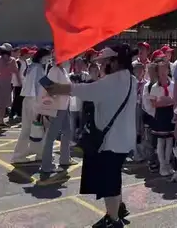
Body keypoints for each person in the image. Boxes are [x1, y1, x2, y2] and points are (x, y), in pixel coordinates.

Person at [45, 44, 137, 228]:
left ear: (114, 61)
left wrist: (51, 86)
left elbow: (82, 91)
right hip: (123, 138)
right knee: (114, 177)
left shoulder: (111, 81)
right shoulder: (131, 79)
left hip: (110, 140)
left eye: (104, 62)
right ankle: (117, 211)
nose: (102, 65)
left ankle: (113, 220)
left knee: (109, 182)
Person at [11, 48, 51, 164]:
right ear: (42, 57)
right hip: (34, 100)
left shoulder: (33, 66)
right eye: (48, 57)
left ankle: (36, 153)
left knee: (33, 128)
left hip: (30, 100)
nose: (48, 60)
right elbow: (41, 86)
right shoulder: (37, 68)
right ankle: (20, 155)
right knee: (33, 128)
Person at [40, 60, 75, 174]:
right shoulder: (54, 70)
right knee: (51, 136)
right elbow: (49, 88)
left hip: (64, 106)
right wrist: (66, 91)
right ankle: (46, 165)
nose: (69, 60)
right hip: (58, 107)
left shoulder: (62, 70)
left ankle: (64, 159)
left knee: (67, 131)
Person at [150, 59, 175, 176]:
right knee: (161, 141)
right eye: (161, 69)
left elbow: (175, 100)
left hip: (170, 114)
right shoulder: (155, 87)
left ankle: (167, 163)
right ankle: (162, 165)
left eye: (165, 68)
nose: (163, 72)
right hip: (160, 115)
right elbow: (153, 103)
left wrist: (168, 101)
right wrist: (165, 102)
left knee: (170, 140)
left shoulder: (173, 85)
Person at [0, 43, 20, 129]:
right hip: (6, 82)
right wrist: (20, 82)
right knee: (3, 103)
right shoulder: (12, 60)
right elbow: (16, 72)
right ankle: (1, 121)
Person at [142, 63, 159, 173]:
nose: (151, 74)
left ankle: (159, 160)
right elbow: (147, 104)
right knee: (149, 141)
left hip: (159, 117)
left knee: (159, 141)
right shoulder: (146, 86)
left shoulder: (160, 85)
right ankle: (152, 161)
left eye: (153, 71)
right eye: (150, 71)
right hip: (150, 117)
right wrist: (155, 112)